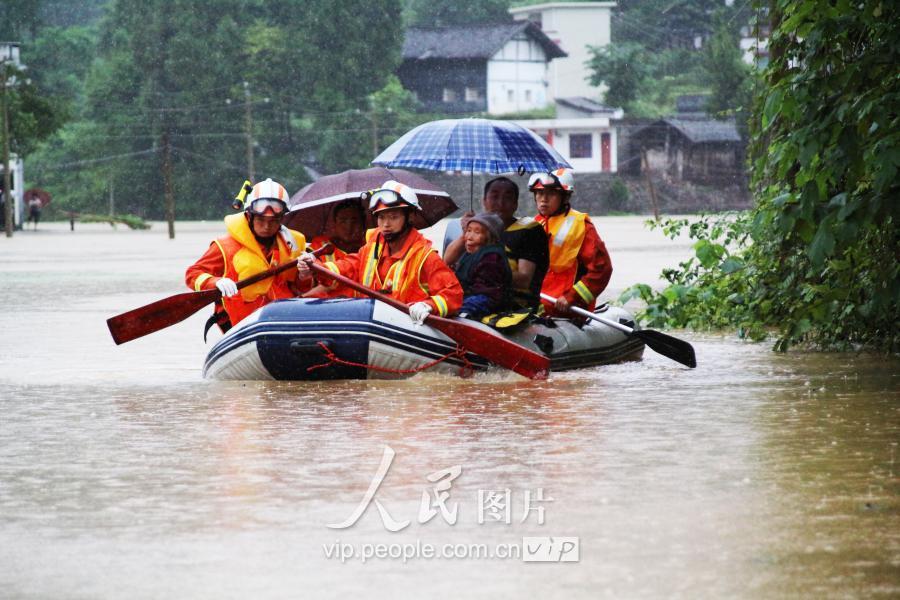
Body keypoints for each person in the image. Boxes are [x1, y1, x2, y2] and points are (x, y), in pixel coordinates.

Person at [297, 180, 462, 325]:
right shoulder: (372, 247)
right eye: (381, 217)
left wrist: (429, 305)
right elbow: (348, 267)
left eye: (393, 217)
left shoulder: (425, 257)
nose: (386, 224)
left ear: (410, 216)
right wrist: (315, 266)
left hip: (405, 332)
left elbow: (453, 294)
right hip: (371, 329)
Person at [185, 178, 307, 330]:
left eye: (273, 220)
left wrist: (305, 275)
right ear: (249, 216)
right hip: (243, 325)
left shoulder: (295, 244)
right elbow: (192, 274)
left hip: (283, 319)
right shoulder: (224, 246)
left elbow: (302, 288)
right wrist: (215, 282)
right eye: (261, 220)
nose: (267, 226)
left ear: (282, 218)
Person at [443, 177, 549, 309]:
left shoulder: (529, 231)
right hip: (473, 293)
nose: (500, 203)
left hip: (514, 303)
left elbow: (524, 280)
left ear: (515, 204)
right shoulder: (477, 229)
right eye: (494, 196)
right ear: (484, 202)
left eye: (507, 198)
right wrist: (466, 232)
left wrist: (482, 271)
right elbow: (446, 261)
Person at [529, 168, 612, 318]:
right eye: (540, 193)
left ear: (565, 197)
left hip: (565, 308)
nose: (543, 199)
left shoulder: (581, 226)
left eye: (551, 193)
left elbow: (602, 269)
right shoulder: (534, 224)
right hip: (538, 305)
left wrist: (572, 297)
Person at [451, 212, 512, 320]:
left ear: (489, 237)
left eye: (477, 232)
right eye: (468, 230)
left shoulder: (492, 257)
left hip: (486, 301)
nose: (469, 237)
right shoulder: (469, 254)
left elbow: (487, 293)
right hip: (467, 296)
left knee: (472, 303)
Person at [303, 199, 365, 298]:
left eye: (354, 220)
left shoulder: (372, 250)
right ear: (335, 223)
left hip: (365, 309)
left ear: (363, 224)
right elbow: (305, 289)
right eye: (343, 221)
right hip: (327, 309)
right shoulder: (317, 249)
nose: (349, 227)